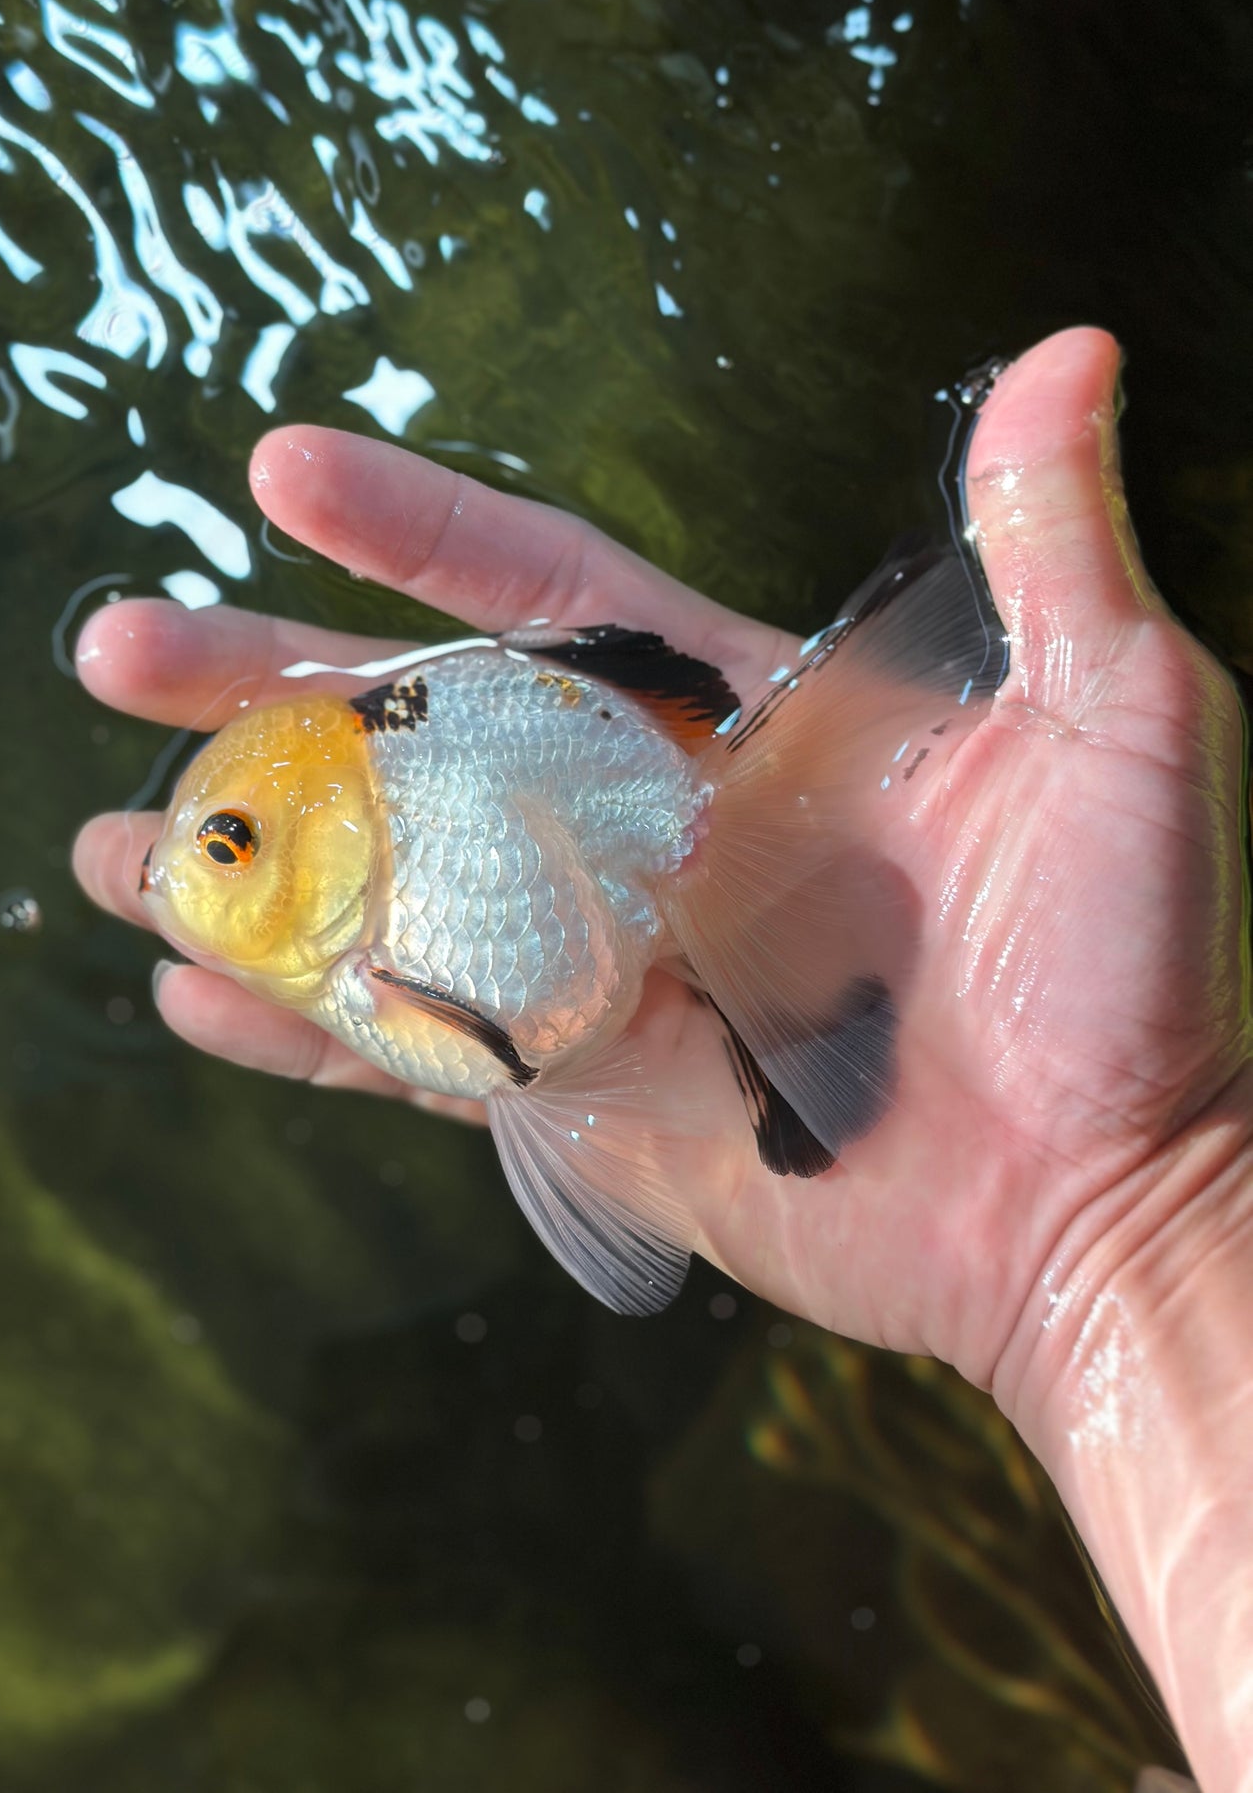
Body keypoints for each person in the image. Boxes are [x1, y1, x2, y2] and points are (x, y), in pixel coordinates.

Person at [74, 328, 1253, 1792]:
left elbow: (517, 1051)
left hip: (629, 850)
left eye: (226, 843)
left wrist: (1123, 1225)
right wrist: (1134, 1227)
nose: (187, 877)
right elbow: (530, 1060)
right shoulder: (353, 912)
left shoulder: (373, 933)